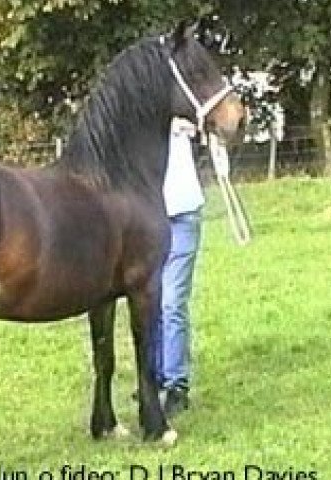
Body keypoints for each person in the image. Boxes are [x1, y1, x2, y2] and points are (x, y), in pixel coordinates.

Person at [152, 116, 205, 418]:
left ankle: (176, 383)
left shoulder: (182, 118)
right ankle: (156, 374)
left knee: (172, 301)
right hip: (151, 218)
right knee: (152, 300)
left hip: (182, 214)